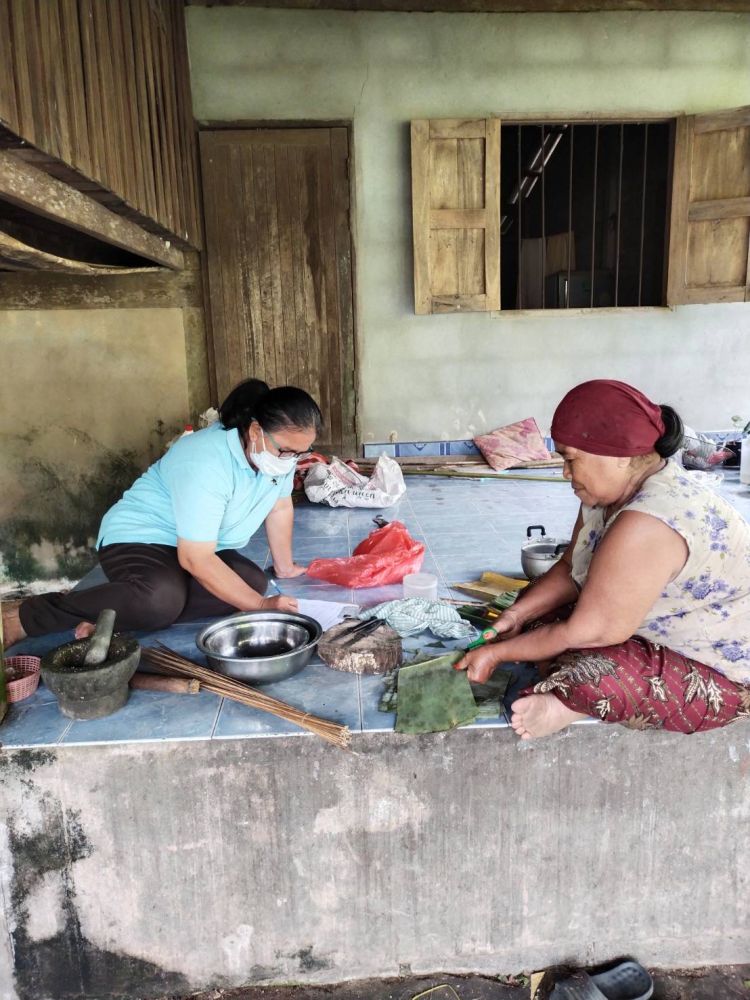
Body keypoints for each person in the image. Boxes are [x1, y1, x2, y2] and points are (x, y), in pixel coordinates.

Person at [456, 379, 750, 739]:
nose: (565, 473)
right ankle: (558, 672)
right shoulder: (606, 497)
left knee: (596, 673)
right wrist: (515, 616)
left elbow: (585, 631)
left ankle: (567, 703)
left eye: (570, 459)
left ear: (619, 456)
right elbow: (569, 569)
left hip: (724, 671)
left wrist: (497, 654)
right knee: (533, 611)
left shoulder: (650, 522)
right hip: (654, 632)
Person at [3, 379, 322, 645]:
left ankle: (115, 614)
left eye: (301, 452)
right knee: (160, 600)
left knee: (250, 582)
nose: (292, 459)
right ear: (255, 431)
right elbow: (196, 559)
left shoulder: (277, 457)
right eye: (287, 450)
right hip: (139, 538)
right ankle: (27, 617)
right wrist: (261, 605)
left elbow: (280, 506)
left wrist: (284, 567)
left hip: (194, 544)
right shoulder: (205, 460)